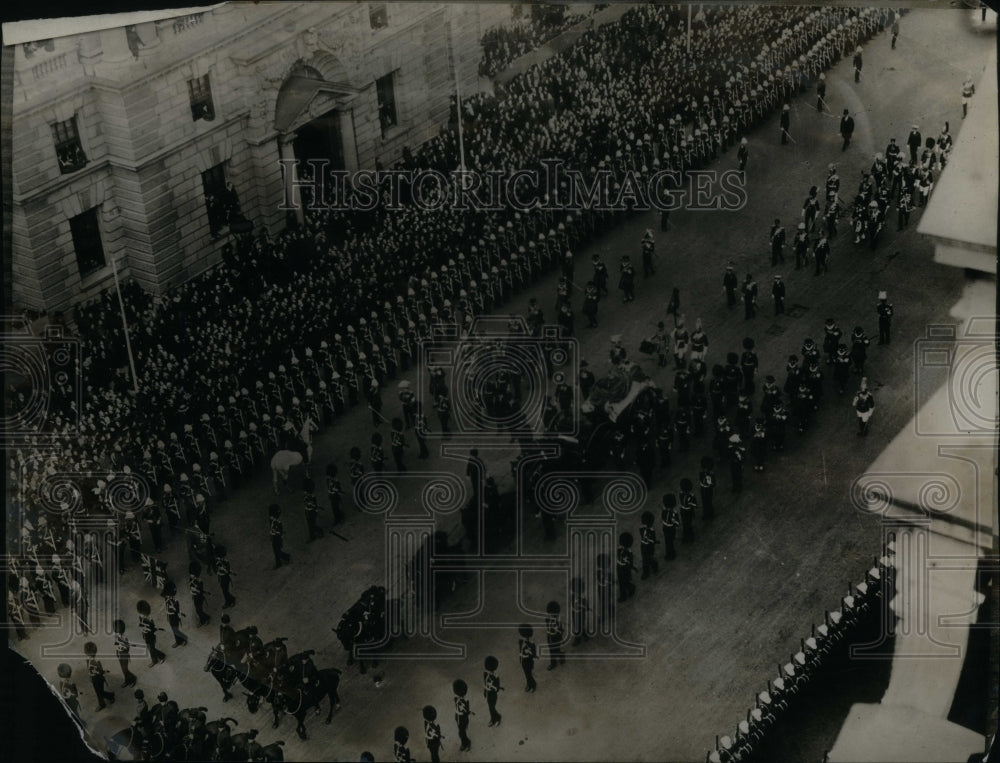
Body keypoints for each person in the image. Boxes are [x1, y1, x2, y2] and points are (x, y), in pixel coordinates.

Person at [84, 641, 116, 711]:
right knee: (99, 692)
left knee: (99, 692)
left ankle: (103, 703)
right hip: (94, 678)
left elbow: (100, 671)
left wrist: (98, 672)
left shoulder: (96, 661)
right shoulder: (88, 660)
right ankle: (110, 697)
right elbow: (88, 669)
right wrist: (90, 676)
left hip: (98, 678)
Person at [136, 599, 166, 667]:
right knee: (150, 649)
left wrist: (147, 630)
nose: (140, 615)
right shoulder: (141, 617)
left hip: (151, 637)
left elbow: (153, 629)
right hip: (146, 636)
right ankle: (157, 658)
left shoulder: (150, 620)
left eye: (141, 614)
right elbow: (141, 624)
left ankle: (160, 657)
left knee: (152, 649)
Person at [162, 581, 189, 647]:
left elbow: (177, 611)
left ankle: (184, 638)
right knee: (174, 631)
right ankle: (178, 641)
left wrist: (179, 614)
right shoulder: (167, 599)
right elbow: (163, 595)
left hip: (174, 618)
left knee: (176, 631)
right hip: (170, 617)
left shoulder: (175, 602)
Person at [112, 619, 137, 687]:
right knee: (123, 669)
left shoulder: (124, 637)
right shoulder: (116, 636)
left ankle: (133, 678)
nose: (114, 629)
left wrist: (123, 648)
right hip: (119, 653)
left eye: (116, 628)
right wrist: (117, 651)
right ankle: (127, 680)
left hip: (124, 654)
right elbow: (116, 644)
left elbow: (127, 647)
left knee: (125, 669)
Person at [268, 504, 291, 568]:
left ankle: (281, 561)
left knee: (276, 551)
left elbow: (279, 532)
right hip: (274, 538)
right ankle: (284, 558)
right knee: (276, 551)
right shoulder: (273, 520)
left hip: (277, 538)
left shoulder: (277, 522)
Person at [544, 600, 566, 669]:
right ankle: (553, 663)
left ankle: (561, 657)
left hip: (556, 638)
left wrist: (557, 629)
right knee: (551, 651)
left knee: (558, 649)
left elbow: (561, 630)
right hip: (550, 637)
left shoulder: (558, 621)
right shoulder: (547, 619)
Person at [616, 533, 637, 601]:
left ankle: (629, 590)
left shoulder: (628, 552)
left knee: (625, 581)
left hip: (625, 568)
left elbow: (630, 562)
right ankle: (624, 595)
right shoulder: (620, 549)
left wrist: (631, 567)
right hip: (619, 567)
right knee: (621, 582)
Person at [214, 544, 237, 609]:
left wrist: (222, 568)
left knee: (225, 591)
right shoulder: (220, 561)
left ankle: (230, 600)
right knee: (224, 591)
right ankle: (229, 600)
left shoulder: (224, 562)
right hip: (222, 577)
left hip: (225, 578)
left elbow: (227, 571)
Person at [453, 679, 472, 751]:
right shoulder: (456, 698)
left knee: (462, 733)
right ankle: (463, 743)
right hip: (458, 717)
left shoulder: (465, 701)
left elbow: (466, 712)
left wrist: (465, 721)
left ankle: (467, 743)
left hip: (463, 719)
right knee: (461, 732)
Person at [517, 625, 538, 692]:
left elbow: (534, 655)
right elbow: (520, 651)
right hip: (523, 661)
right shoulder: (521, 641)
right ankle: (529, 684)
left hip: (529, 661)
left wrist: (529, 652)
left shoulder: (531, 644)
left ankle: (533, 684)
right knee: (526, 674)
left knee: (529, 674)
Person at [483, 656, 502, 727]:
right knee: (490, 707)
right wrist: (485, 691)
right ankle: (493, 718)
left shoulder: (495, 676)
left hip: (493, 694)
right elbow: (485, 683)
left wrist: (492, 687)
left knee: (492, 707)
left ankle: (497, 717)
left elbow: (497, 688)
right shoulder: (485, 673)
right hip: (488, 693)